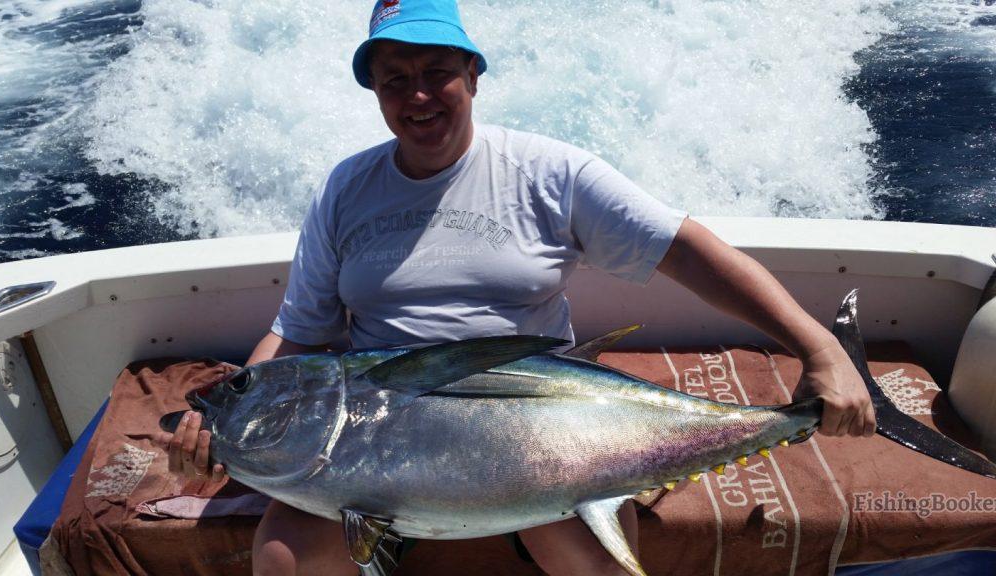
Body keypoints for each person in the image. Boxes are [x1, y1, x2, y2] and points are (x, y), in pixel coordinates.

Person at [160, 1, 877, 574]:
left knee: (590, 564)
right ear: (375, 92)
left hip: (537, 421)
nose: (416, 94)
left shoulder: (548, 172)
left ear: (473, 74)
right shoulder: (347, 189)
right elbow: (300, 328)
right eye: (393, 79)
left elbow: (685, 250)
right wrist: (227, 418)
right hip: (367, 440)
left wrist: (818, 347)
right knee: (285, 562)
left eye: (436, 71)